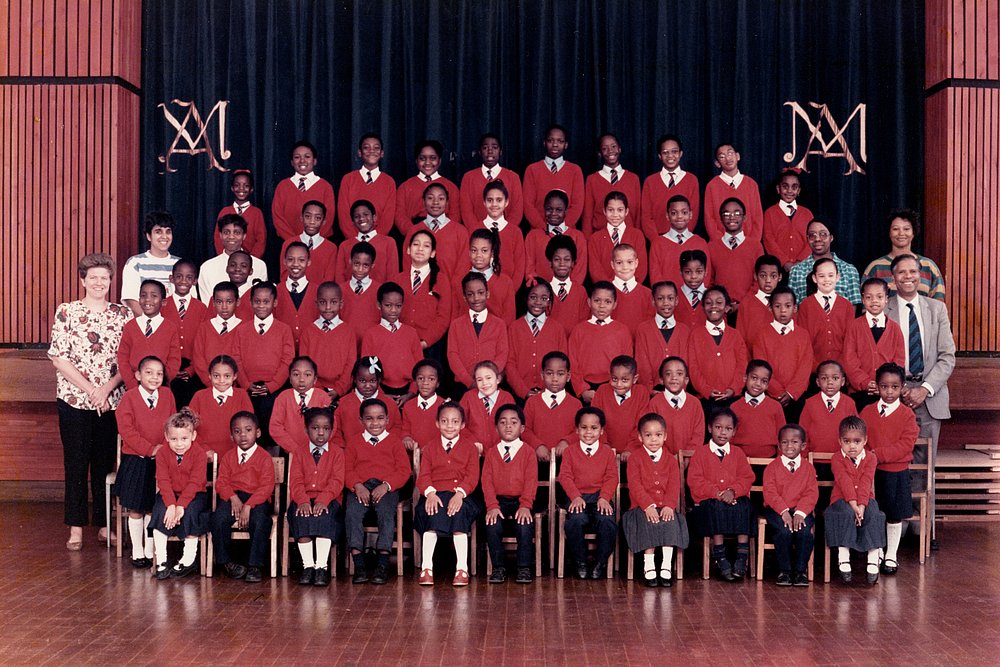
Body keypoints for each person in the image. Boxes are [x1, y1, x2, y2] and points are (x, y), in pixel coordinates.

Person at [50, 252, 132, 550]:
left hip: (111, 402)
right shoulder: (67, 311)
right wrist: (91, 390)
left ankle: (103, 525)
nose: (99, 282)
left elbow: (128, 359)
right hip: (73, 400)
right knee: (75, 464)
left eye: (105, 278)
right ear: (82, 280)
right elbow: (59, 359)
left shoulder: (123, 314)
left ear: (111, 281)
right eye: (93, 277)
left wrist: (107, 389)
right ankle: (75, 528)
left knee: (103, 465)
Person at [885, 254, 955, 548]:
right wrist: (898, 389)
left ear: (921, 275)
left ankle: (924, 531)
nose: (908, 277)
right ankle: (894, 529)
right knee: (893, 462)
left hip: (929, 397)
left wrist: (924, 389)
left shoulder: (936, 308)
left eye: (913, 272)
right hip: (894, 395)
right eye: (902, 272)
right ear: (893, 277)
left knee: (926, 464)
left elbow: (947, 356)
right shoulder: (882, 307)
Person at [114, 355, 176, 567]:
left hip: (160, 460)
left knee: (152, 506)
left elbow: (172, 424)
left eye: (159, 374)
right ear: (138, 375)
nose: (155, 377)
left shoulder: (167, 395)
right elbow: (127, 431)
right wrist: (150, 449)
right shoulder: (129, 398)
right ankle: (137, 552)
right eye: (149, 372)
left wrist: (163, 449)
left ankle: (151, 551)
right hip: (137, 460)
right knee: (136, 508)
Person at [345, 398, 410, 585]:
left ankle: (382, 564)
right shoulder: (354, 442)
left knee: (386, 514)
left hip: (386, 488)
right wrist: (357, 485)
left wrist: (387, 485)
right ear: (361, 421)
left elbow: (404, 470)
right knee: (352, 513)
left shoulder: (395, 442)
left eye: (380, 418)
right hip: (360, 488)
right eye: (369, 419)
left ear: (387, 420)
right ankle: (359, 564)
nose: (375, 423)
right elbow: (347, 469)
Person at [861, 363, 919, 575]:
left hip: (896, 471)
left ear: (902, 387)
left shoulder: (907, 415)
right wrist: (868, 456)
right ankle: (875, 552)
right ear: (877, 387)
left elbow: (906, 444)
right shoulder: (867, 412)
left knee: (894, 514)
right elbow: (861, 438)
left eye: (894, 387)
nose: (889, 391)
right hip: (871, 472)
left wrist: (879, 455)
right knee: (875, 513)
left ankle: (891, 554)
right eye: (884, 386)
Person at [416, 403, 481, 586]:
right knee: (432, 513)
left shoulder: (469, 448)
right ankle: (426, 567)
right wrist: (429, 493)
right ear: (437, 423)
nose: (449, 426)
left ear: (462, 425)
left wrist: (460, 494)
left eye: (454, 422)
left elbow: (472, 476)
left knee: (458, 515)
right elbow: (424, 476)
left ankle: (462, 568)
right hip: (435, 494)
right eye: (444, 421)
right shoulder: (429, 448)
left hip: (462, 495)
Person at [622, 413, 690, 587]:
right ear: (640, 437)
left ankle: (666, 566)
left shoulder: (671, 459)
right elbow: (635, 485)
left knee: (669, 521)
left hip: (665, 506)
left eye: (658, 435)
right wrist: (648, 506)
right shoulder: (635, 458)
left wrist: (669, 505)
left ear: (665, 436)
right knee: (648, 523)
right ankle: (649, 566)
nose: (653, 440)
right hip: (642, 508)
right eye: (648, 435)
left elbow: (674, 485)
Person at [687, 407, 755, 581]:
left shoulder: (738, 453)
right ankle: (720, 556)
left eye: (728, 429)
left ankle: (742, 556)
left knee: (744, 506)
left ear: (734, 432)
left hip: (734, 499)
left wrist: (733, 491)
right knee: (716, 508)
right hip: (709, 501)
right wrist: (718, 493)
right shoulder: (700, 453)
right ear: (710, 428)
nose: (723, 432)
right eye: (718, 427)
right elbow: (695, 481)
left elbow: (747, 477)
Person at [210, 411, 275, 582]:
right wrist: (233, 498)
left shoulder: (264, 457)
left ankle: (255, 566)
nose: (243, 435)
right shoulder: (229, 457)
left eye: (248, 430)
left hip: (257, 499)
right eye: (237, 432)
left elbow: (267, 486)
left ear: (258, 432)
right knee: (218, 519)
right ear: (231, 436)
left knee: (261, 521)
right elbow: (221, 483)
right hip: (234, 497)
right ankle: (227, 563)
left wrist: (249, 505)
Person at [825, 416, 886, 585]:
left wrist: (861, 505)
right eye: (847, 441)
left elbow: (867, 482)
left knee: (874, 513)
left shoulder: (871, 458)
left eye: (857, 441)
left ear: (865, 440)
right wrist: (853, 504)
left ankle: (873, 558)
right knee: (844, 513)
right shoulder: (837, 458)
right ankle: (843, 557)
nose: (852, 446)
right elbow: (843, 481)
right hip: (842, 499)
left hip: (865, 500)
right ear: (840, 441)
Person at [559, 407, 618, 579]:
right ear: (577, 430)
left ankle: (600, 562)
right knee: (576, 521)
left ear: (601, 431)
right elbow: (565, 476)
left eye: (594, 428)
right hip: (577, 496)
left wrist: (605, 497)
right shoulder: (570, 451)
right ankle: (581, 561)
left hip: (601, 497)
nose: (588, 432)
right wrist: (575, 496)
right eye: (584, 428)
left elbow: (612, 477)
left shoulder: (607, 452)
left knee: (606, 521)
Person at [150, 408, 209, 579]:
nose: (179, 444)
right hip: (170, 494)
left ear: (193, 436)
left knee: (191, 512)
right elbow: (163, 480)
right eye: (174, 439)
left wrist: (180, 506)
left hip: (195, 494)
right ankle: (161, 561)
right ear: (167, 437)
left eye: (184, 438)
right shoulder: (162, 453)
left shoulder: (199, 454)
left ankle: (188, 559)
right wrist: (170, 505)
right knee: (160, 512)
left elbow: (195, 482)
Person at [232, 281, 295, 443]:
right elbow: (236, 358)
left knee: (272, 432)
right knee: (249, 430)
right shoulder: (241, 330)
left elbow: (287, 360)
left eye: (266, 302)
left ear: (274, 303)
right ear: (251, 302)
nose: (261, 305)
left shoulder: (284, 329)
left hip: (274, 390)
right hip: (248, 389)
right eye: (257, 301)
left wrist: (272, 385)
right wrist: (246, 384)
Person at [287, 407, 343, 587]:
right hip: (302, 498)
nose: (321, 433)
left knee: (325, 517)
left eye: (326, 428)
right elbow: (295, 481)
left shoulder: (337, 452)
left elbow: (337, 481)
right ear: (306, 429)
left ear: (332, 430)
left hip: (328, 500)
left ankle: (321, 567)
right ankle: (308, 566)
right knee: (301, 516)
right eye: (315, 428)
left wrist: (323, 500)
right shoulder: (299, 452)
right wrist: (302, 501)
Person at [483, 404, 538, 584]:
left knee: (524, 524)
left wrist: (525, 506)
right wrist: (492, 506)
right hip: (498, 502)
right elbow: (487, 482)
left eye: (513, 422)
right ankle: (498, 568)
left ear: (522, 428)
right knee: (492, 524)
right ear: (496, 427)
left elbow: (531, 482)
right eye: (503, 422)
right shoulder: (491, 453)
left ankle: (523, 568)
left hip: (521, 501)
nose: (508, 426)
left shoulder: (528, 452)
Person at [762, 424, 818, 586]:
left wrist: (800, 513)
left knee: (804, 532)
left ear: (803, 445)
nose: (789, 446)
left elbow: (811, 493)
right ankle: (784, 571)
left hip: (801, 510)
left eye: (794, 442)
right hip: (777, 510)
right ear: (779, 445)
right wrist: (784, 512)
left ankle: (800, 572)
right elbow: (770, 493)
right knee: (783, 531)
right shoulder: (771, 468)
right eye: (785, 442)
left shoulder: (808, 468)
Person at [747, 286, 814, 415]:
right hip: (770, 395)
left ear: (795, 308)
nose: (783, 311)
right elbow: (761, 367)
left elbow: (805, 368)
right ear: (770, 308)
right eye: (777, 306)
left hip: (797, 397)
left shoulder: (803, 335)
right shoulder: (762, 335)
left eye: (787, 306)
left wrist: (791, 392)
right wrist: (777, 392)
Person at [843, 278, 904, 405]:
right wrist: (865, 382)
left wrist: (886, 383)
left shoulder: (895, 328)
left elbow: (899, 360)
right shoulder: (854, 326)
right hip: (860, 394)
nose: (874, 301)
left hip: (888, 393)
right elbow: (849, 360)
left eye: (879, 296)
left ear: (886, 299)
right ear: (863, 299)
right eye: (869, 297)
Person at [862, 209, 946, 300]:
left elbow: (938, 305)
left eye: (906, 229)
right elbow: (867, 307)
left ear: (913, 233)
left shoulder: (928, 266)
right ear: (889, 233)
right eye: (895, 229)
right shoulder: (875, 267)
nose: (901, 233)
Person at [360, 282, 423, 402]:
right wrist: (380, 394)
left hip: (409, 391)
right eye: (388, 305)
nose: (393, 310)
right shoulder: (371, 334)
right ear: (379, 305)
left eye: (398, 306)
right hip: (381, 390)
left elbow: (419, 368)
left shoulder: (411, 333)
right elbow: (367, 370)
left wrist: (412, 392)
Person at [506, 280, 567, 401]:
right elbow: (509, 364)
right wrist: (523, 391)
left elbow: (563, 363)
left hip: (550, 394)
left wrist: (547, 391)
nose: (538, 302)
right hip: (520, 395)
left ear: (549, 301)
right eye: (533, 297)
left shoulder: (557, 328)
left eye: (544, 298)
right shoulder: (514, 327)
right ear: (526, 298)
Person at [447, 272, 509, 389]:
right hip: (463, 385)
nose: (476, 298)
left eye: (480, 293)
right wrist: (470, 382)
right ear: (465, 297)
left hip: (491, 385)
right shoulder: (456, 325)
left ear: (487, 294)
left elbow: (502, 354)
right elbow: (453, 356)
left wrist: (488, 378)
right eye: (470, 294)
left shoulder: (499, 324)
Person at [687, 286, 748, 405]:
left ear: (727, 308)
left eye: (719, 302)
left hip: (733, 399)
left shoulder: (735, 335)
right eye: (709, 303)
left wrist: (733, 389)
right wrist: (706, 390)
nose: (714, 306)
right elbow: (693, 368)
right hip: (706, 400)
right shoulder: (695, 335)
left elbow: (742, 366)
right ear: (703, 307)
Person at [116, 279, 181, 390]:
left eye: (154, 296)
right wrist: (132, 384)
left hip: (161, 388)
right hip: (134, 388)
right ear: (139, 300)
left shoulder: (170, 328)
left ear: (164, 302)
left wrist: (161, 382)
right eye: (143, 295)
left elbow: (174, 360)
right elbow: (123, 359)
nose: (148, 300)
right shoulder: (130, 326)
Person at [298, 281, 356, 402]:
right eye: (323, 302)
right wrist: (318, 389)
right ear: (316, 303)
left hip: (342, 393)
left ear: (341, 304)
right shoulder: (308, 332)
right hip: (314, 391)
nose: (328, 307)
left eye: (333, 302)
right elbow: (305, 366)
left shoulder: (348, 331)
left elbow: (350, 365)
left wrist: (339, 389)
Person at [396, 229, 452, 350]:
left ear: (432, 253)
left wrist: (425, 342)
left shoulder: (441, 280)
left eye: (426, 246)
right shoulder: (397, 280)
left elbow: (443, 317)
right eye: (416, 244)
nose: (420, 249)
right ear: (408, 250)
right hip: (400, 343)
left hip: (430, 346)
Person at [162, 259, 208, 406]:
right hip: (168, 370)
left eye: (189, 277)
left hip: (193, 371)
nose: (183, 281)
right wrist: (171, 370)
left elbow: (203, 344)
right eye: (179, 276)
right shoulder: (162, 305)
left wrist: (191, 370)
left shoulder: (202, 308)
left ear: (195, 281)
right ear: (171, 278)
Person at [401, 182, 470, 280]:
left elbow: (463, 269)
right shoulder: (414, 230)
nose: (435, 202)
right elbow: (408, 266)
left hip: (451, 291)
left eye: (441, 198)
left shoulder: (460, 232)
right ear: (423, 202)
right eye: (430, 198)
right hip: (420, 290)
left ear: (447, 203)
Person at [523, 124, 585, 230]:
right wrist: (543, 227)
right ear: (544, 143)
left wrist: (563, 228)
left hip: (566, 231)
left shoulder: (575, 170)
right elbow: (528, 205)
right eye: (550, 140)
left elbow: (577, 205)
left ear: (566, 144)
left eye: (560, 141)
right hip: (539, 231)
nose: (555, 144)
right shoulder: (532, 169)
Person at [187, 355, 253, 454]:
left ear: (234, 376)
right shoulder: (199, 396)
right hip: (203, 455)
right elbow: (189, 428)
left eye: (227, 376)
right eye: (216, 376)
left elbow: (248, 428)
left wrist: (236, 452)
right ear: (209, 376)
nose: (221, 381)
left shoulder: (242, 396)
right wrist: (204, 450)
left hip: (234, 455)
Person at [331, 356, 402, 448]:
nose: (367, 386)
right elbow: (337, 432)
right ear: (354, 380)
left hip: (383, 454)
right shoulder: (343, 404)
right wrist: (345, 450)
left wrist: (385, 446)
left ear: (379, 380)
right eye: (362, 381)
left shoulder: (390, 404)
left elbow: (396, 427)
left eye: (372, 381)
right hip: (351, 456)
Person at [271, 140, 336, 240]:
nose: (302, 161)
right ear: (292, 162)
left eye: (307, 156)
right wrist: (294, 242)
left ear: (314, 161)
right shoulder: (283, 186)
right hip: (288, 243)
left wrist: (313, 240)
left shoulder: (325, 187)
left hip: (319, 242)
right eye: (297, 157)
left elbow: (329, 218)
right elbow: (278, 218)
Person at [797, 257, 855, 370]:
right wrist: (815, 367)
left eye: (831, 275)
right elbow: (803, 341)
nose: (826, 279)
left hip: (840, 370)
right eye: (821, 276)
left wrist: (841, 366)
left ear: (837, 277)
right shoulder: (806, 305)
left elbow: (850, 342)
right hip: (813, 370)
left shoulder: (846, 305)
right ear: (814, 278)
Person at [787, 219, 861, 306]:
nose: (817, 239)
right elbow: (792, 308)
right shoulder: (796, 271)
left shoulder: (849, 271)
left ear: (831, 237)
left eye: (823, 234)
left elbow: (853, 308)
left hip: (840, 319)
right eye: (812, 235)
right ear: (807, 238)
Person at [524, 351, 582, 461]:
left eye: (560, 374)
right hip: (537, 460)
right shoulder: (532, 402)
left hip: (568, 461)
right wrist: (537, 445)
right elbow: (525, 429)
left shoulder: (576, 404)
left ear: (568, 376)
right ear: (542, 375)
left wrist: (567, 441)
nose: (555, 378)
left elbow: (580, 429)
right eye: (549, 373)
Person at [394, 139, 461, 235]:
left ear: (440, 161)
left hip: (444, 233)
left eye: (433, 158)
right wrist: (414, 234)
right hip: (414, 235)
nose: (427, 162)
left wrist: (444, 234)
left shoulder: (451, 187)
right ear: (416, 160)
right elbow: (400, 216)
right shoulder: (405, 187)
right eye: (422, 158)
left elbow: (455, 216)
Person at [197, 215, 268, 304]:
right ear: (220, 235)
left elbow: (261, 300)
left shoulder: (259, 265)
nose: (231, 237)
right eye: (226, 232)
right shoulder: (207, 267)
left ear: (244, 236)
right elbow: (208, 304)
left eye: (237, 232)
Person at [337, 133, 397, 239]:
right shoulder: (348, 179)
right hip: (352, 240)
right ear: (359, 152)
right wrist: (354, 239)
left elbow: (388, 218)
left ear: (382, 153)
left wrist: (375, 240)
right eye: (366, 147)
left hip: (379, 241)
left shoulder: (389, 182)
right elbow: (344, 216)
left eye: (376, 148)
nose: (372, 151)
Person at [641, 134, 700, 240]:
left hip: (683, 238)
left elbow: (693, 213)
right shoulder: (650, 181)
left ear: (681, 153)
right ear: (659, 156)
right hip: (657, 238)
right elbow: (646, 216)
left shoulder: (691, 180)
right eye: (665, 152)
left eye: (674, 151)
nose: (670, 156)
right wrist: (656, 240)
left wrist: (683, 237)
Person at [706, 197, 764, 306]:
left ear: (745, 218)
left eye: (737, 213)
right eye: (726, 214)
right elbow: (709, 281)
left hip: (749, 305)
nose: (732, 217)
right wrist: (720, 302)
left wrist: (743, 304)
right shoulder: (711, 247)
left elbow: (760, 280)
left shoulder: (756, 246)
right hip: (720, 308)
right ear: (721, 219)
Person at [460, 133, 524, 229]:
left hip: (505, 233)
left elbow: (517, 211)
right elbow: (466, 211)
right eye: (485, 148)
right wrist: (479, 232)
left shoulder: (513, 177)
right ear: (480, 152)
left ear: (501, 151)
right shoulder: (468, 177)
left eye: (494, 147)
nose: (490, 151)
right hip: (477, 235)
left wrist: (504, 230)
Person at [269, 356, 332, 454]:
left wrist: (315, 446)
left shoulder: (323, 397)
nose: (301, 379)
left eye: (307, 375)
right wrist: (295, 449)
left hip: (317, 450)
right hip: (289, 451)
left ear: (315, 379)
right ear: (289, 378)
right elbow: (275, 427)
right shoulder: (283, 397)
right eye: (296, 374)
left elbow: (332, 424)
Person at [633, 281, 691, 388]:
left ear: (676, 300)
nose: (665, 303)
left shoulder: (685, 331)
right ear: (653, 301)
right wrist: (650, 389)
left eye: (670, 298)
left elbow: (685, 363)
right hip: (653, 392)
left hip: (679, 392)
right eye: (660, 299)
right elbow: (642, 364)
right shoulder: (643, 329)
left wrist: (678, 389)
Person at [121, 211, 179, 316]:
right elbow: (131, 301)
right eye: (158, 232)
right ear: (148, 236)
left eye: (168, 231)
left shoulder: (180, 264)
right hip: (146, 327)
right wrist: (152, 324)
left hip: (175, 327)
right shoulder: (135, 263)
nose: (164, 236)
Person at [524, 190, 589, 284]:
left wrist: (570, 288)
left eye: (558, 210)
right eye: (549, 209)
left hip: (568, 291)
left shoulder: (578, 237)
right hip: (542, 292)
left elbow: (580, 269)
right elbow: (529, 267)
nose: (553, 213)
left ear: (566, 211)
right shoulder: (533, 236)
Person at [583, 133, 642, 237]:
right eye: (605, 148)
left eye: (613, 146)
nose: (610, 151)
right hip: (601, 239)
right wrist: (588, 241)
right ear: (599, 153)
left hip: (628, 239)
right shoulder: (592, 180)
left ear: (619, 149)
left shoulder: (633, 179)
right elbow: (587, 216)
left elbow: (637, 215)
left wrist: (636, 237)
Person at [703, 143, 764, 241]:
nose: (728, 158)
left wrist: (753, 242)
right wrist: (720, 242)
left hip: (748, 243)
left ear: (738, 156)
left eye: (730, 153)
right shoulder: (712, 186)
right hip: (721, 243)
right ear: (717, 163)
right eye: (722, 156)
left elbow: (758, 217)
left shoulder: (751, 184)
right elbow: (709, 218)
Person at [648, 194, 712, 288]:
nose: (679, 217)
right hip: (668, 300)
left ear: (691, 215)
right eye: (674, 213)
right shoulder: (657, 243)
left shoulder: (700, 242)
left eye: (684, 212)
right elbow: (655, 276)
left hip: (694, 299)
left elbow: (706, 274)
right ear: (667, 215)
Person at [453, 228, 516, 324]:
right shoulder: (458, 280)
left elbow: (509, 318)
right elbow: (455, 317)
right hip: (466, 335)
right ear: (469, 252)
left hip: (496, 336)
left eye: (484, 251)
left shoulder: (506, 282)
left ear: (492, 253)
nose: (478, 255)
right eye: (474, 250)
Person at [591, 355, 648, 458]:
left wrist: (631, 448)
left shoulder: (641, 393)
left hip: (633, 453)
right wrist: (604, 445)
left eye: (625, 380)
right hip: (603, 451)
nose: (619, 384)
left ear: (635, 379)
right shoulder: (602, 391)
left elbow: (642, 424)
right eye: (614, 379)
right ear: (609, 376)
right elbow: (595, 421)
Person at [648, 357, 705, 455]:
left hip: (690, 458)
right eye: (668, 374)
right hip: (664, 460)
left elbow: (698, 435)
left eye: (679, 374)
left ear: (686, 380)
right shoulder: (655, 403)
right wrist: (668, 459)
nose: (674, 378)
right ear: (661, 380)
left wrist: (686, 457)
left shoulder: (695, 403)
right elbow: (653, 435)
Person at [587, 191, 648, 284]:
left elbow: (642, 267)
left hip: (631, 290)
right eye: (610, 210)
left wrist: (629, 286)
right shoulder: (595, 238)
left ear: (626, 211)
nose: (615, 215)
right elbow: (595, 270)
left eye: (620, 210)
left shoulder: (637, 235)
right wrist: (609, 289)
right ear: (604, 211)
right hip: (606, 293)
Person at [191, 281, 243, 388]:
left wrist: (232, 382)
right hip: (207, 385)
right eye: (219, 302)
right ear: (213, 303)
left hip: (236, 386)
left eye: (229, 302)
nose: (224, 307)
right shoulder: (204, 327)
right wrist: (211, 383)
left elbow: (245, 360)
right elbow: (198, 358)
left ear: (237, 302)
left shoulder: (244, 328)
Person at [799, 360, 858, 454]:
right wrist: (805, 456)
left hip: (842, 459)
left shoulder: (849, 403)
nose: (830, 382)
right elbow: (803, 432)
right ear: (818, 382)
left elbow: (856, 431)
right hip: (815, 459)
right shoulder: (810, 403)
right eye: (824, 378)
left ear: (842, 381)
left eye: (835, 378)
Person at [730, 360, 785, 458]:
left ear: (768, 384)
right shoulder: (735, 407)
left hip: (769, 459)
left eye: (764, 381)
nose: (758, 384)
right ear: (745, 378)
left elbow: (782, 436)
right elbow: (729, 437)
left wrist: (780, 460)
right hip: (741, 460)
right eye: (754, 378)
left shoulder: (775, 406)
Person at [477, 180, 526, 287]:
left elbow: (519, 267)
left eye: (499, 200)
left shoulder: (515, 232)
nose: (494, 204)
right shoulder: (475, 229)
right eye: (490, 200)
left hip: (507, 291)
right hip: (479, 291)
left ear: (506, 202)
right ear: (484, 202)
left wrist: (509, 292)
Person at [762, 169, 813, 271]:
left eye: (794, 187)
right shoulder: (769, 213)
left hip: (803, 268)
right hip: (778, 268)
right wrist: (784, 262)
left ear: (798, 191)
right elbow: (768, 240)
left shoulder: (807, 214)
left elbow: (811, 239)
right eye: (785, 187)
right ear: (778, 189)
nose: (789, 191)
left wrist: (800, 261)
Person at [337, 199, 398, 283]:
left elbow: (392, 275)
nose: (361, 218)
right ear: (352, 222)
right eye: (356, 216)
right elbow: (339, 276)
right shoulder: (344, 245)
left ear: (374, 217)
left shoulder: (389, 242)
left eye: (366, 214)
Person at [278, 201, 337, 285]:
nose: (312, 222)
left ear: (324, 221)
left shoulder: (331, 248)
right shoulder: (288, 244)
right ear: (301, 218)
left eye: (317, 218)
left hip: (319, 295)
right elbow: (284, 275)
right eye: (308, 216)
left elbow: (329, 279)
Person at [274, 241, 320, 346]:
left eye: (301, 260)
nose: (295, 264)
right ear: (284, 261)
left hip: (310, 349)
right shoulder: (276, 291)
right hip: (283, 349)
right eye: (290, 259)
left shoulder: (318, 292)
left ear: (309, 262)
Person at [215, 170, 266, 258]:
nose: (241, 189)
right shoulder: (224, 211)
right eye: (237, 185)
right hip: (227, 259)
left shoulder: (257, 213)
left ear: (251, 189)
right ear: (232, 188)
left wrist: (251, 259)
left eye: (246, 186)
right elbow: (217, 237)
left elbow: (261, 240)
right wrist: (224, 257)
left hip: (248, 261)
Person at [401, 359, 448, 452]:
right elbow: (405, 429)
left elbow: (449, 434)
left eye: (431, 379)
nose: (425, 383)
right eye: (420, 378)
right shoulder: (408, 406)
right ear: (415, 382)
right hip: (414, 456)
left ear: (438, 383)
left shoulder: (445, 406)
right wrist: (406, 438)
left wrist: (433, 447)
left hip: (437, 456)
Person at [546, 235, 590, 333]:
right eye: (557, 259)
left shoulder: (581, 291)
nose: (562, 264)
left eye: (567, 260)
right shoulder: (544, 291)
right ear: (550, 263)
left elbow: (584, 324)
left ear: (573, 263)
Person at [339, 241, 382, 337]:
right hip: (346, 343)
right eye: (356, 264)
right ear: (350, 261)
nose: (360, 269)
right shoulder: (340, 290)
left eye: (365, 265)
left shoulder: (380, 290)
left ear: (372, 265)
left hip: (372, 345)